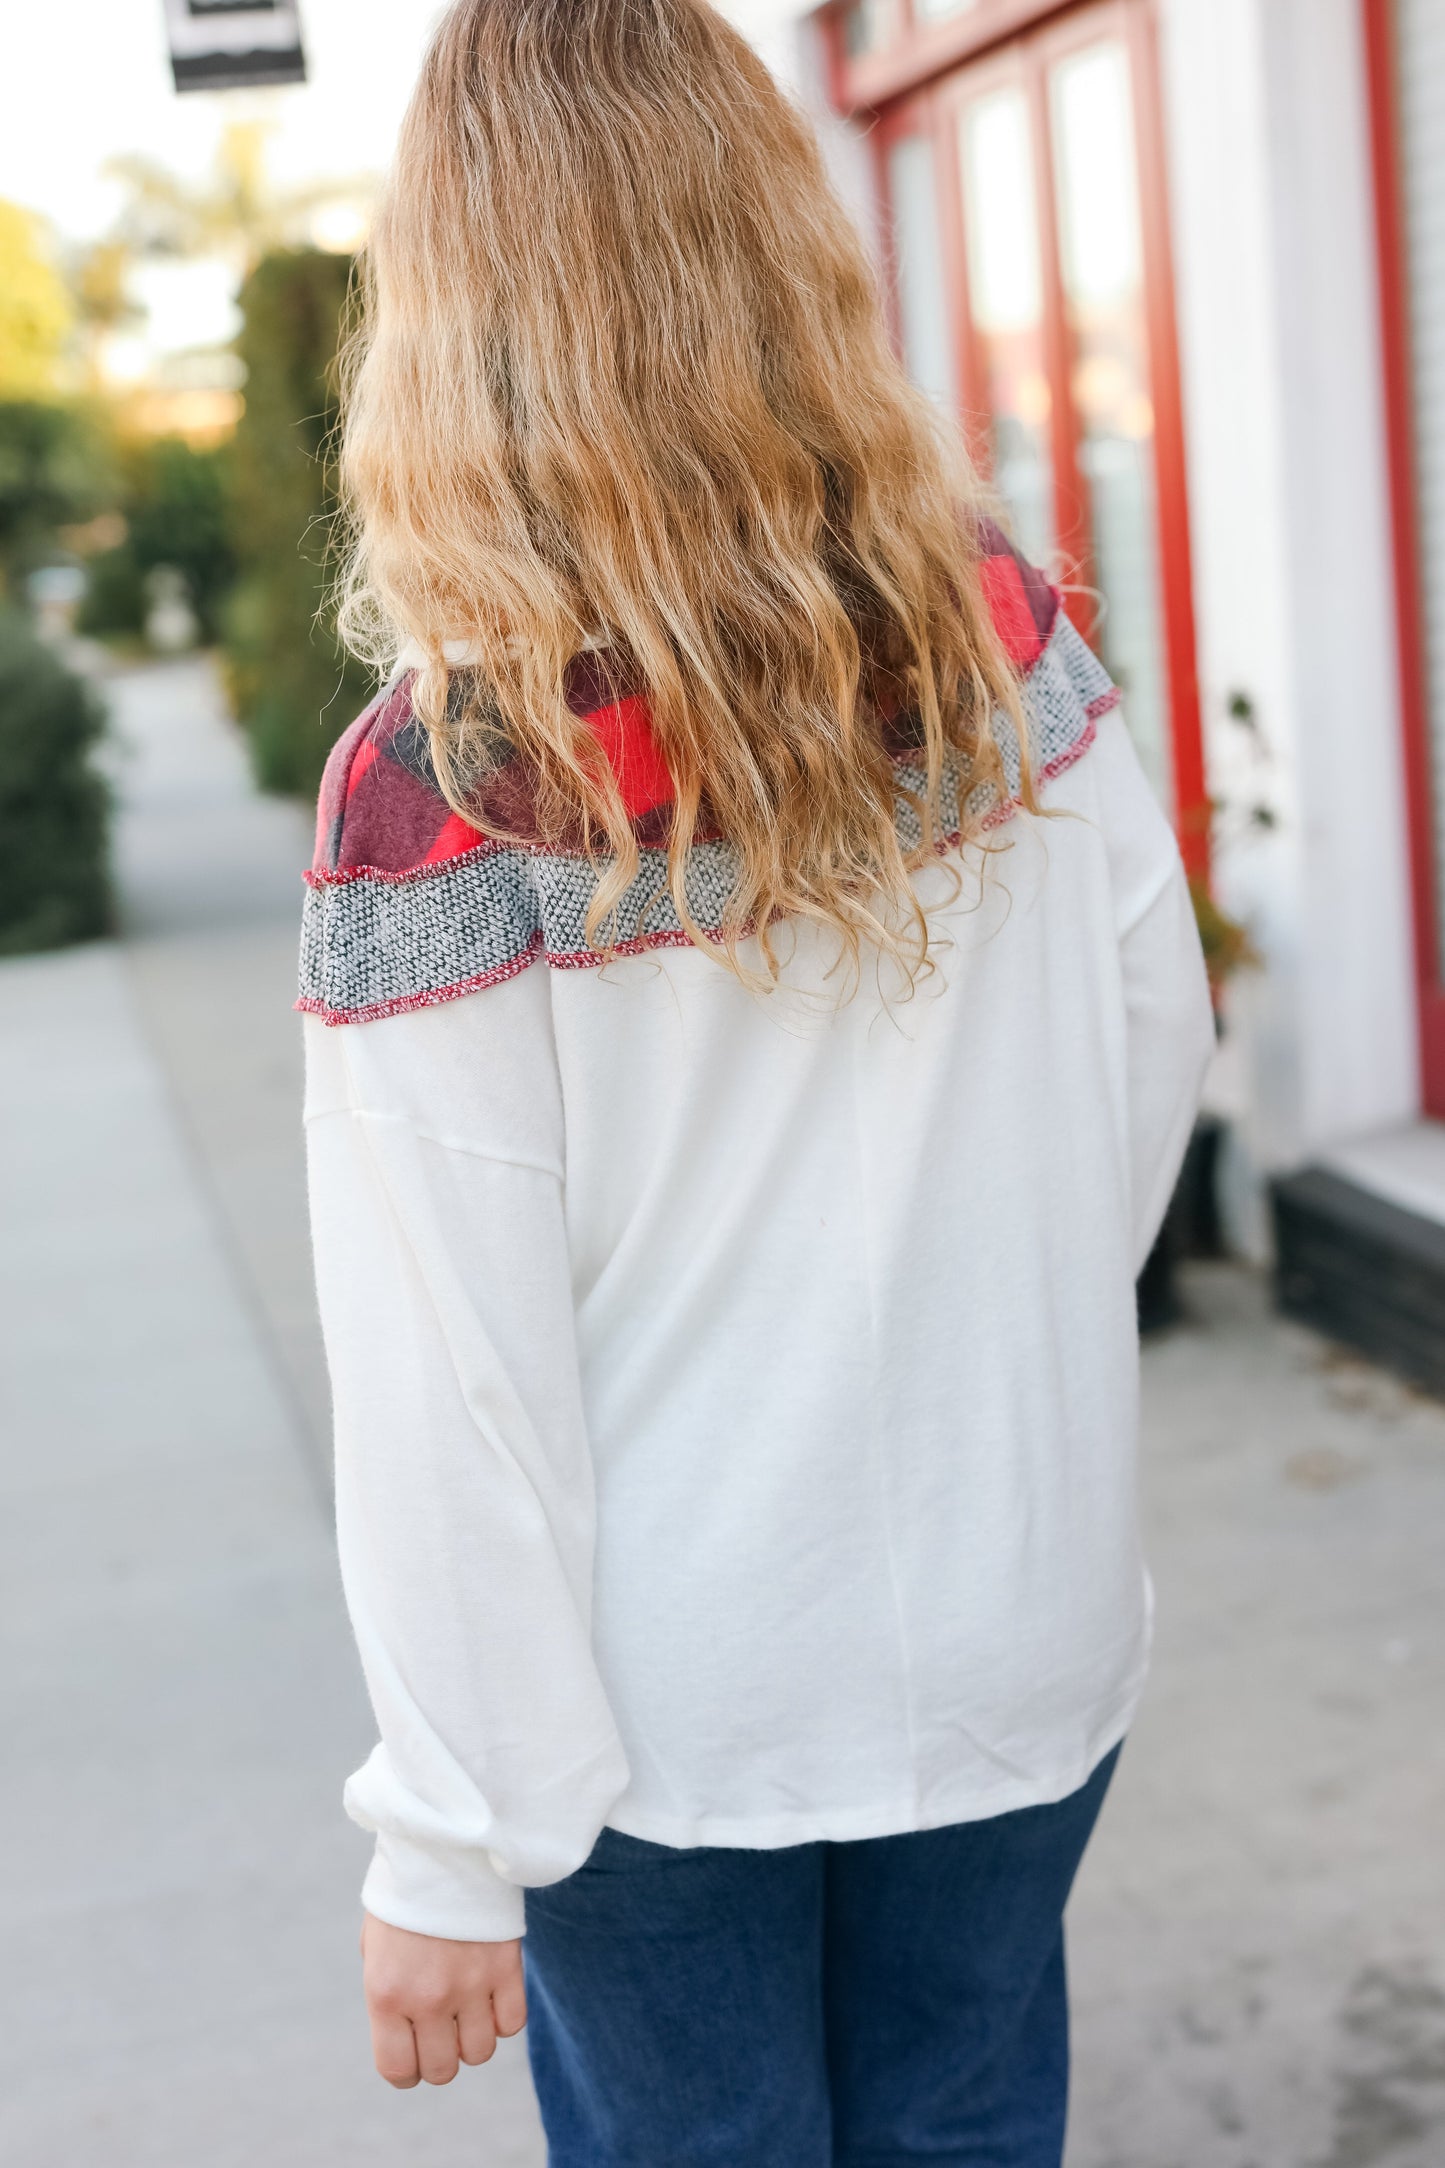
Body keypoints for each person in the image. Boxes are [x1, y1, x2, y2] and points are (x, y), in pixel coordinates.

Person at [299, 2, 1214, 2160]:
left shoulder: (453, 782)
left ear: (460, 293)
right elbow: (1150, 1040)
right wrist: (1006, 1369)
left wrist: (445, 1840)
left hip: (665, 1719)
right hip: (1023, 1613)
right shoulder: (996, 633)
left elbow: (453, 1376)